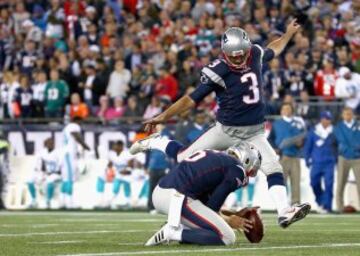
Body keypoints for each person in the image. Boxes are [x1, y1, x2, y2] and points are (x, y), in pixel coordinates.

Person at [142, 19, 311, 227]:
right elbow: (191, 99)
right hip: (226, 130)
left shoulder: (255, 54)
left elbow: (272, 49)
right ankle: (156, 142)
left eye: (242, 53)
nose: (239, 58)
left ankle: (284, 211)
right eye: (234, 55)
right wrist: (163, 116)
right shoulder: (218, 70)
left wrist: (287, 35)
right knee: (184, 157)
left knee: (273, 167)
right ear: (224, 52)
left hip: (254, 132)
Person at [133, 137, 261, 246]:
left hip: (163, 193)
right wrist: (228, 220)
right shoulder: (237, 169)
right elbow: (212, 208)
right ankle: (173, 232)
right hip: (177, 197)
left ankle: (181, 227)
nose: (249, 175)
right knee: (227, 237)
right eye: (252, 170)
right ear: (247, 161)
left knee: (204, 230)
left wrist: (232, 213)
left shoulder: (215, 156)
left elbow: (204, 205)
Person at [270, 103, 306, 205]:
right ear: (281, 111)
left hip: (295, 156)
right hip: (282, 156)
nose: (286, 111)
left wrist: (300, 144)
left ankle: (296, 203)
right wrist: (275, 148)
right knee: (281, 182)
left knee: (296, 182)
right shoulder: (276, 124)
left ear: (292, 111)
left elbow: (302, 139)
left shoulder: (298, 124)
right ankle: (282, 204)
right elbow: (270, 139)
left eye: (288, 109)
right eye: (284, 109)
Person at [303, 111, 337, 213]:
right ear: (321, 119)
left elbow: (338, 147)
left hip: (329, 162)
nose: (328, 121)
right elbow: (307, 147)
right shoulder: (313, 131)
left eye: (329, 119)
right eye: (326, 118)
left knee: (329, 184)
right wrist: (307, 159)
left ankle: (327, 206)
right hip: (316, 162)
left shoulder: (334, 132)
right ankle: (321, 201)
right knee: (314, 183)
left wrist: (336, 159)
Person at [334, 107, 360, 212]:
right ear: (342, 115)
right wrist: (354, 147)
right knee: (340, 183)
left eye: (349, 114)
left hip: (358, 158)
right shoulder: (338, 127)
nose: (348, 116)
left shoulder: (358, 125)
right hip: (343, 158)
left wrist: (354, 147)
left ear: (353, 114)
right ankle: (340, 207)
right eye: (346, 114)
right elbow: (341, 141)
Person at [60, 117, 90, 209]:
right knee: (70, 178)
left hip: (66, 154)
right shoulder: (73, 126)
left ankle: (63, 201)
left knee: (65, 179)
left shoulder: (66, 127)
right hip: (69, 154)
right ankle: (69, 202)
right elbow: (76, 135)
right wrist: (85, 146)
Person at [27, 138, 62, 209]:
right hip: (45, 173)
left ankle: (48, 201)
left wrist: (51, 173)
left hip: (56, 174)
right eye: (47, 144)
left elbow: (61, 168)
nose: (50, 145)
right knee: (30, 180)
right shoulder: (43, 152)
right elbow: (41, 164)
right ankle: (34, 200)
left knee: (50, 180)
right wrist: (43, 173)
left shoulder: (58, 153)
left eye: (51, 143)